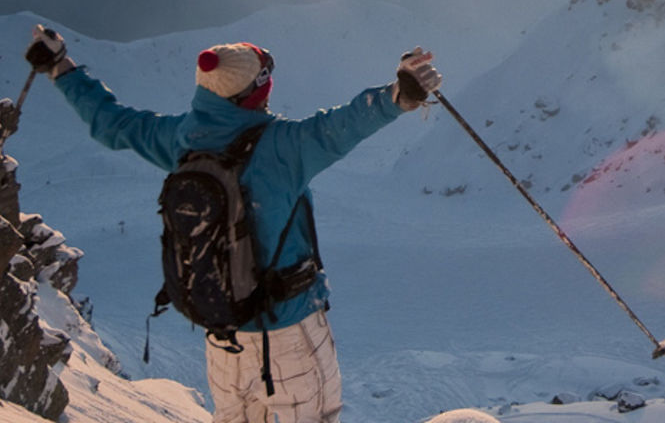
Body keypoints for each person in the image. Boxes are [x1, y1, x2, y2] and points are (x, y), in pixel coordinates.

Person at [24, 24, 442, 423]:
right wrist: (398, 95)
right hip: (288, 332)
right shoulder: (283, 147)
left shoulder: (180, 140)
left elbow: (111, 122)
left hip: (221, 335)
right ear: (254, 92)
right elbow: (342, 125)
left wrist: (60, 68)